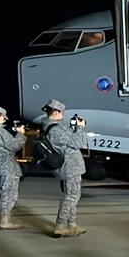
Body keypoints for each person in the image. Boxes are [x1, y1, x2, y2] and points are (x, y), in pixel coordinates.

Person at [41, 100, 88, 237]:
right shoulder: (55, 129)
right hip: (70, 167)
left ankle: (72, 224)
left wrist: (73, 128)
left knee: (73, 196)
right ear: (56, 112)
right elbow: (79, 142)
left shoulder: (53, 126)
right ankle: (60, 226)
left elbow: (69, 139)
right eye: (62, 112)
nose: (63, 115)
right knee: (71, 196)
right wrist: (80, 128)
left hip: (70, 166)